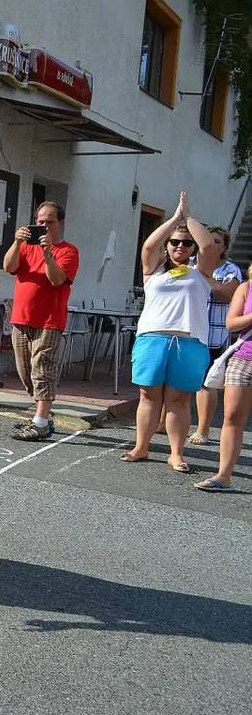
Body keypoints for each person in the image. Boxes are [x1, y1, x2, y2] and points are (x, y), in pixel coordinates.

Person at [120, 191, 218, 473]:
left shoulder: (201, 272)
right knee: (148, 396)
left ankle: (176, 453)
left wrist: (189, 219)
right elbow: (149, 246)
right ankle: (141, 446)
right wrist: (174, 219)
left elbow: (209, 247)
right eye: (175, 242)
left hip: (188, 342)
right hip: (153, 338)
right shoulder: (154, 270)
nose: (180, 246)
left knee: (179, 400)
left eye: (186, 243)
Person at [2, 201, 79, 441]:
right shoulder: (25, 247)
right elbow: (8, 266)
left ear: (60, 223)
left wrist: (47, 254)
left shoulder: (69, 251)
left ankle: (41, 421)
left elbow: (56, 279)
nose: (43, 226)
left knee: (43, 369)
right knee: (26, 372)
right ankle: (42, 414)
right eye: (40, 221)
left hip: (49, 320)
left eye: (49, 222)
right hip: (22, 318)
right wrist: (16, 242)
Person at [196, 269, 252, 492]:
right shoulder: (246, 287)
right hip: (244, 358)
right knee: (232, 417)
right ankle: (223, 475)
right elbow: (232, 323)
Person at [188, 226, 243, 446]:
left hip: (214, 334)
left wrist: (202, 277)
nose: (211, 245)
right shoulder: (190, 263)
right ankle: (163, 423)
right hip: (188, 330)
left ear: (224, 247)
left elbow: (227, 294)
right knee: (177, 380)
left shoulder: (230, 269)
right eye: (208, 241)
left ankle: (203, 429)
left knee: (206, 383)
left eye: (217, 242)